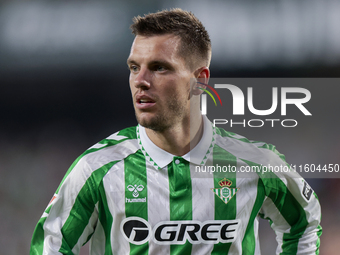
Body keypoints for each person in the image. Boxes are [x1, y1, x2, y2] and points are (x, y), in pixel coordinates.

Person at [30, 8, 322, 255]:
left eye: (159, 67)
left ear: (200, 80)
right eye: (134, 67)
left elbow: (304, 223)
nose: (140, 81)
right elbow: (51, 246)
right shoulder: (96, 168)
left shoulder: (257, 161)